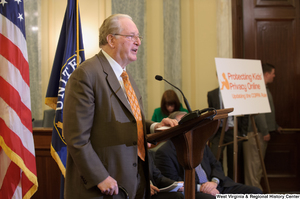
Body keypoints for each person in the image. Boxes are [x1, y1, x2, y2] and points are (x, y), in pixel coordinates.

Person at [63, 14, 178, 199]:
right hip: (104, 187)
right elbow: (76, 137)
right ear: (111, 39)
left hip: (134, 181)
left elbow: (129, 121)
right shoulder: (86, 75)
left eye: (139, 37)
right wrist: (100, 177)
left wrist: (155, 127)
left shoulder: (126, 76)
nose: (138, 42)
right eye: (131, 36)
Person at [155, 111, 263, 199]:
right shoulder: (165, 153)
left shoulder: (200, 143)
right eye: (186, 126)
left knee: (255, 192)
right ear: (174, 128)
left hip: (217, 184)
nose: (191, 128)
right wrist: (202, 188)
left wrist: (214, 182)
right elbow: (174, 184)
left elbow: (215, 165)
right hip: (195, 192)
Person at [243, 63, 282, 191]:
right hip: (256, 133)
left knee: (257, 167)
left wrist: (274, 126)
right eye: (273, 73)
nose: (274, 76)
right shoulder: (258, 90)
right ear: (266, 74)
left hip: (259, 133)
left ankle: (255, 192)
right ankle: (254, 194)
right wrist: (265, 131)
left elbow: (267, 112)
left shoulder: (264, 89)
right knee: (253, 168)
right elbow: (258, 113)